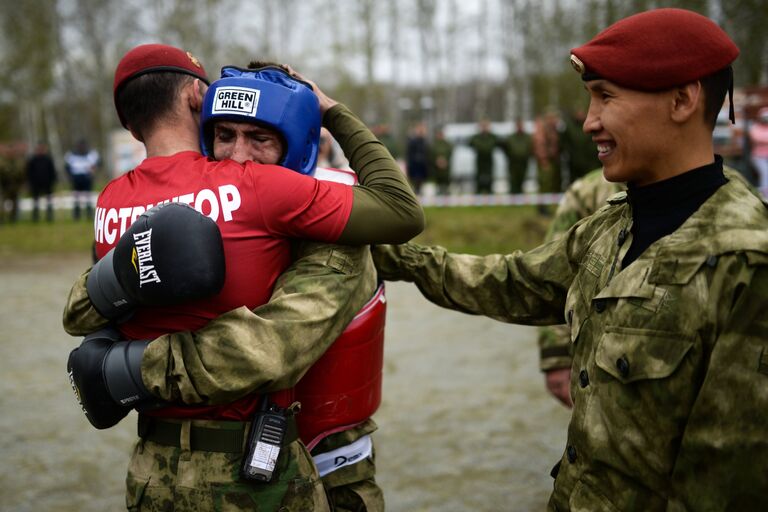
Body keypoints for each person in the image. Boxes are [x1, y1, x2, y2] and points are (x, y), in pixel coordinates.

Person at [371, 9, 768, 511]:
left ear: (683, 99)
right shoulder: (614, 223)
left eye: (606, 96)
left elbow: (725, 485)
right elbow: (513, 282)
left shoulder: (747, 261)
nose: (589, 121)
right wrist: (388, 251)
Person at [63, 44, 423, 511]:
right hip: (245, 476)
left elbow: (84, 313)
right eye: (225, 135)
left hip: (159, 473)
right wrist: (330, 109)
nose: (238, 155)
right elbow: (402, 209)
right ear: (199, 97)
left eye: (259, 138)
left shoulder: (111, 201)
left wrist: (127, 368)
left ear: (131, 123)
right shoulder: (254, 188)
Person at [536, 168, 624, 407]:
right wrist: (556, 357)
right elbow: (553, 277)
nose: (593, 128)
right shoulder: (589, 191)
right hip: (598, 368)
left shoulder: (724, 201)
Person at [64, 139, 99, 220]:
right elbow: (67, 167)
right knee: (76, 198)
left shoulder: (91, 154)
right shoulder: (71, 155)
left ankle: (89, 215)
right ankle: (77, 215)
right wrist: (70, 176)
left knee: (88, 197)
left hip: (86, 178)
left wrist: (93, 172)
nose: (81, 147)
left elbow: (97, 164)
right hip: (76, 179)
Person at [26, 141, 58, 222]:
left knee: (49, 201)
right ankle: (35, 217)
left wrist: (53, 181)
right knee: (36, 202)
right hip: (35, 185)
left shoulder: (48, 159)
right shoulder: (32, 160)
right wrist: (30, 183)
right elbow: (29, 172)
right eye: (39, 148)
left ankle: (49, 216)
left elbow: (52, 171)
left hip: (47, 184)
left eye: (42, 148)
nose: (40, 150)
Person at [501, 119, 532, 194]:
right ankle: (513, 196)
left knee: (522, 179)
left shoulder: (528, 137)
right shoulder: (511, 138)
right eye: (518, 126)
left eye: (521, 125)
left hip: (523, 162)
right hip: (513, 163)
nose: (520, 127)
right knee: (513, 180)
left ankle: (520, 196)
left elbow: (530, 148)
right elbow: (506, 148)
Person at [468, 119, 497, 194]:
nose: (484, 128)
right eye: (482, 126)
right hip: (480, 160)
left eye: (486, 126)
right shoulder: (476, 137)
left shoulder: (492, 137)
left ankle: (489, 193)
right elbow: (471, 143)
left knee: (489, 178)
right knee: (479, 178)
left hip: (488, 160)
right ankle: (478, 195)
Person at [0, 143, 26, 223]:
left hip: (15, 186)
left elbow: (22, 173)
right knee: (2, 204)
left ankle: (13, 219)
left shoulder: (18, 161)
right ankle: (2, 219)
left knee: (15, 204)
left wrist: (22, 185)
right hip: (4, 186)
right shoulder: (2, 161)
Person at [405, 121, 429, 194]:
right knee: (415, 183)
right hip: (414, 166)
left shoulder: (425, 142)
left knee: (420, 184)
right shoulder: (412, 141)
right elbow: (409, 154)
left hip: (422, 166)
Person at [748, 106, 768, 192]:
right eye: (764, 118)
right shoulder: (755, 127)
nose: (766, 120)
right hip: (759, 157)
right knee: (765, 173)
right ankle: (765, 194)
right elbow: (756, 138)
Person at [430, 127, 453, 195]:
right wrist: (437, 161)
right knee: (438, 182)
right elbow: (431, 154)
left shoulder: (447, 144)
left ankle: (446, 191)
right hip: (437, 167)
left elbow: (450, 153)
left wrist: (444, 160)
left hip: (445, 167)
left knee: (446, 181)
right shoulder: (434, 144)